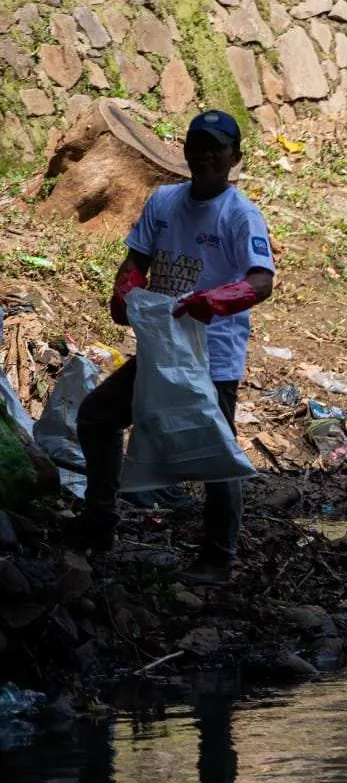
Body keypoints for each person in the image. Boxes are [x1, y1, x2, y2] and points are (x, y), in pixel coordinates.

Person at [74, 110, 275, 581]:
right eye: (197, 146)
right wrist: (124, 290)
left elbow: (260, 282)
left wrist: (217, 301)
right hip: (164, 346)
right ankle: (98, 521)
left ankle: (218, 558)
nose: (205, 156)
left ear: (234, 157)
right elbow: (136, 259)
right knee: (97, 416)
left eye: (216, 148)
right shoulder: (164, 201)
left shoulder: (239, 214)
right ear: (184, 151)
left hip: (212, 354)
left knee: (217, 453)